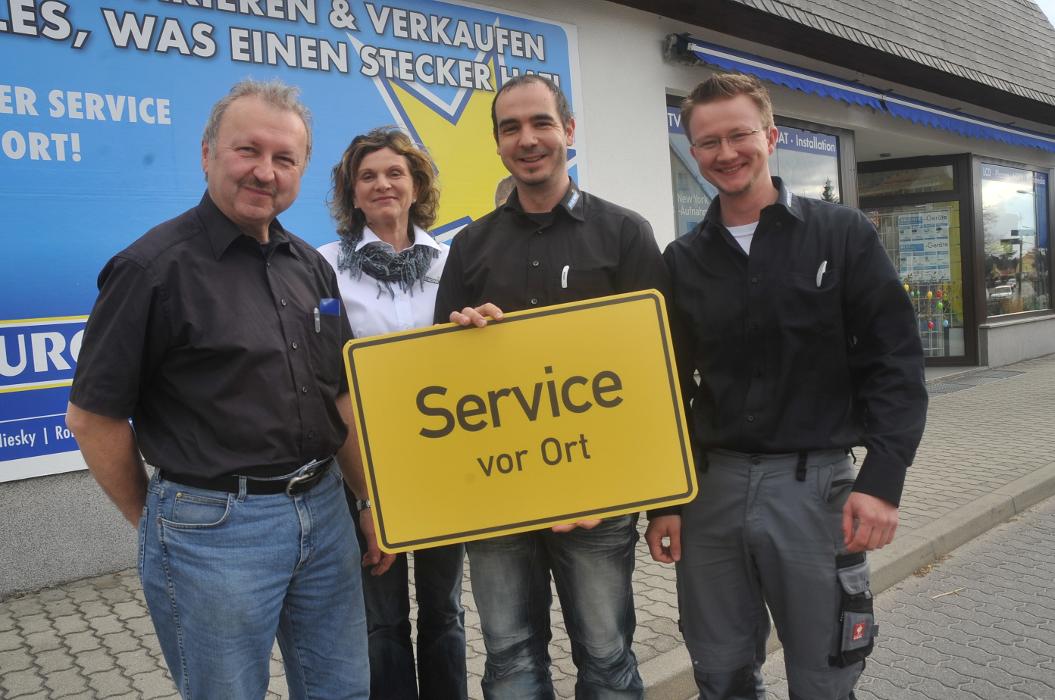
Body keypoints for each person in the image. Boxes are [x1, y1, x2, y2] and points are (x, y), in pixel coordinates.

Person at [65, 79, 372, 699]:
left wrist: (367, 503)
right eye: (247, 151)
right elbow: (92, 418)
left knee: (341, 690)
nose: (265, 172)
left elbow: (338, 395)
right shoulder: (150, 270)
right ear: (208, 154)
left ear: (302, 169)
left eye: (284, 158)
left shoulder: (308, 264)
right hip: (213, 532)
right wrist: (156, 520)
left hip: (325, 511)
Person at [646, 72, 928, 699]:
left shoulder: (843, 236)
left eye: (739, 135)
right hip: (710, 494)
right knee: (719, 673)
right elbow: (664, 389)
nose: (725, 153)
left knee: (825, 675)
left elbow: (895, 363)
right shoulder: (681, 261)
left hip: (814, 488)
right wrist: (664, 498)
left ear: (770, 135)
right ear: (693, 153)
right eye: (707, 142)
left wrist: (883, 481)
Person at [433, 74, 669, 699]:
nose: (527, 138)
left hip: (599, 494)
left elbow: (658, 371)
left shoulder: (624, 234)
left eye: (540, 123)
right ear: (497, 143)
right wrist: (462, 334)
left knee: (608, 656)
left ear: (567, 130)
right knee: (509, 659)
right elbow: (441, 371)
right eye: (510, 128)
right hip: (497, 495)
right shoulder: (470, 245)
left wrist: (656, 495)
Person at [318, 127, 467, 700]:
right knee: (380, 620)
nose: (382, 184)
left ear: (416, 185)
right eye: (368, 176)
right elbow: (326, 365)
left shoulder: (450, 262)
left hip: (440, 463)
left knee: (445, 609)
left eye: (395, 173)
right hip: (363, 465)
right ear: (352, 193)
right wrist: (364, 494)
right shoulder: (323, 268)